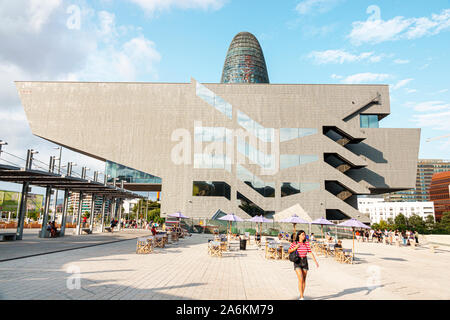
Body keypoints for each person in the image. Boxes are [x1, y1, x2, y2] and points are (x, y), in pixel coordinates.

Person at [288, 230, 319, 300]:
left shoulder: (306, 243)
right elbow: (289, 251)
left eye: (304, 235)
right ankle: (301, 297)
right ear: (299, 235)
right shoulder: (295, 243)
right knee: (301, 278)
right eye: (302, 235)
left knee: (304, 280)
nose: (304, 236)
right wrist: (296, 247)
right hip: (297, 261)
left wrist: (315, 262)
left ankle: (302, 294)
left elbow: (310, 253)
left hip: (304, 261)